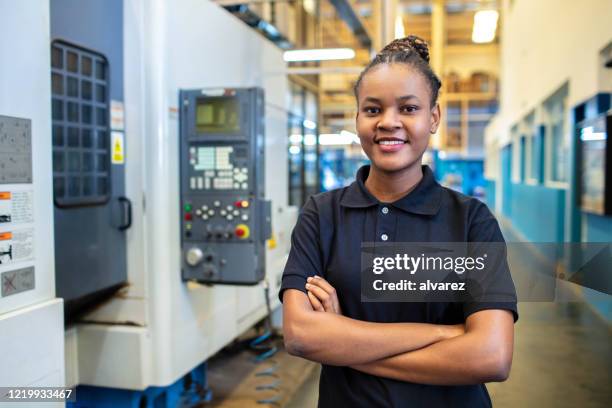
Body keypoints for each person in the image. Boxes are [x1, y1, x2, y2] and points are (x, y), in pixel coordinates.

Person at [279, 35, 518, 408]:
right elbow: (300, 335)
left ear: (433, 117)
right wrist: (444, 334)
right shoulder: (322, 215)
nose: (389, 122)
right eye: (373, 110)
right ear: (357, 118)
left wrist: (345, 340)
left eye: (408, 109)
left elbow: (491, 355)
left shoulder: (471, 220)